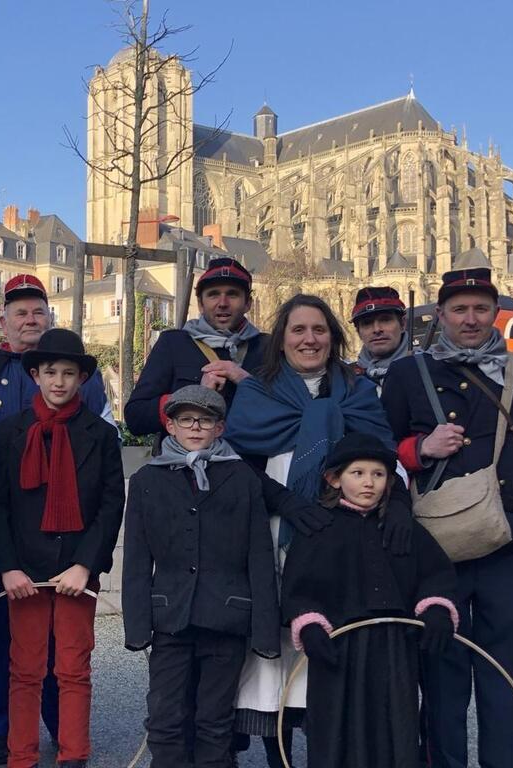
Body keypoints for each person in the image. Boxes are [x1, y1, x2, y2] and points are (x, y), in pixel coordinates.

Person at [381, 268, 513, 768]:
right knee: (442, 688)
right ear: (440, 314)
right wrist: (419, 448)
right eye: (460, 309)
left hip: (505, 544)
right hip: (434, 550)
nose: (471, 319)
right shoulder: (407, 374)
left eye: (481, 309)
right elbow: (381, 457)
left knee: (506, 684)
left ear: (494, 313)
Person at [221, 294, 412, 768]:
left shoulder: (358, 390)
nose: (309, 339)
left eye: (319, 329)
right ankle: (279, 757)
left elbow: (385, 455)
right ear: (281, 338)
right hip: (277, 531)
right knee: (282, 652)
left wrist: (401, 502)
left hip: (347, 534)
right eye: (298, 330)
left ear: (334, 336)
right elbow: (239, 464)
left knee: (339, 644)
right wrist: (284, 500)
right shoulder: (256, 391)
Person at [0, 275, 114, 765]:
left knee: (73, 667)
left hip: (74, 566)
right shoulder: (11, 432)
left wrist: (86, 564)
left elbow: (110, 504)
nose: (58, 381)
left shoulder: (99, 434)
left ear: (81, 380)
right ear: (36, 376)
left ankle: (73, 752)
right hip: (24, 569)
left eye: (68, 374)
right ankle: (21, 753)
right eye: (50, 372)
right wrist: (8, 566)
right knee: (24, 667)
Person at [123, 385, 299, 768]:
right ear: (170, 426)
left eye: (206, 420)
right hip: (170, 618)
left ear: (220, 428)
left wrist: (265, 632)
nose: (196, 427)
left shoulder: (242, 478)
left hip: (227, 617)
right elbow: (136, 561)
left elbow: (259, 557)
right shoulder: (146, 482)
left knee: (214, 722)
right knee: (166, 718)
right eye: (186, 419)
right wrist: (137, 627)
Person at [282, 432, 458, 768]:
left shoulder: (402, 528)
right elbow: (298, 588)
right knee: (336, 723)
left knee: (395, 721)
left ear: (389, 482)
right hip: (338, 646)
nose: (369, 483)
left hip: (394, 645)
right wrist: (309, 627)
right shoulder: (319, 528)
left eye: (378, 475)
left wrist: (435, 608)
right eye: (358, 473)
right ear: (334, 479)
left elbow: (434, 574)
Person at [124, 257, 265, 439]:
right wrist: (193, 396)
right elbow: (136, 417)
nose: (222, 303)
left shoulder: (267, 347)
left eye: (232, 294)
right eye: (213, 294)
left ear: (248, 303)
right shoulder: (173, 343)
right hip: (184, 466)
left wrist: (246, 381)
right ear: (200, 304)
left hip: (249, 465)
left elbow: (287, 413)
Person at [350, 286, 409, 389]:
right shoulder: (346, 380)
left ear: (403, 324)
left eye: (385, 320)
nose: (377, 329)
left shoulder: (429, 368)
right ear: (358, 332)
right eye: (367, 323)